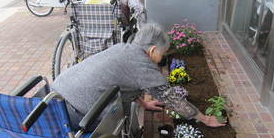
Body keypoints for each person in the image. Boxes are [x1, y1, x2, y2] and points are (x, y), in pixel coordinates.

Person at [52, 23, 226, 129]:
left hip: (56, 93)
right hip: (76, 111)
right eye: (162, 53)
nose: (162, 58)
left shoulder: (123, 48)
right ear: (152, 50)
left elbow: (127, 82)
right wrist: (205, 119)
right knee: (116, 115)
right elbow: (174, 100)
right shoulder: (143, 64)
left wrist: (144, 103)